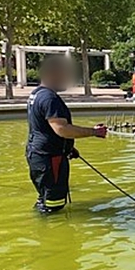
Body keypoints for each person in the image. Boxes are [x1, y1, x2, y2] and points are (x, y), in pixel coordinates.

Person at [26, 56, 108, 214]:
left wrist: (68, 148)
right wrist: (94, 132)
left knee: (45, 198)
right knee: (54, 206)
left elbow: (44, 128)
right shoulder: (50, 98)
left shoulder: (37, 94)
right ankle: (51, 236)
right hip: (50, 159)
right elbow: (61, 129)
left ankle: (41, 228)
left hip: (40, 156)